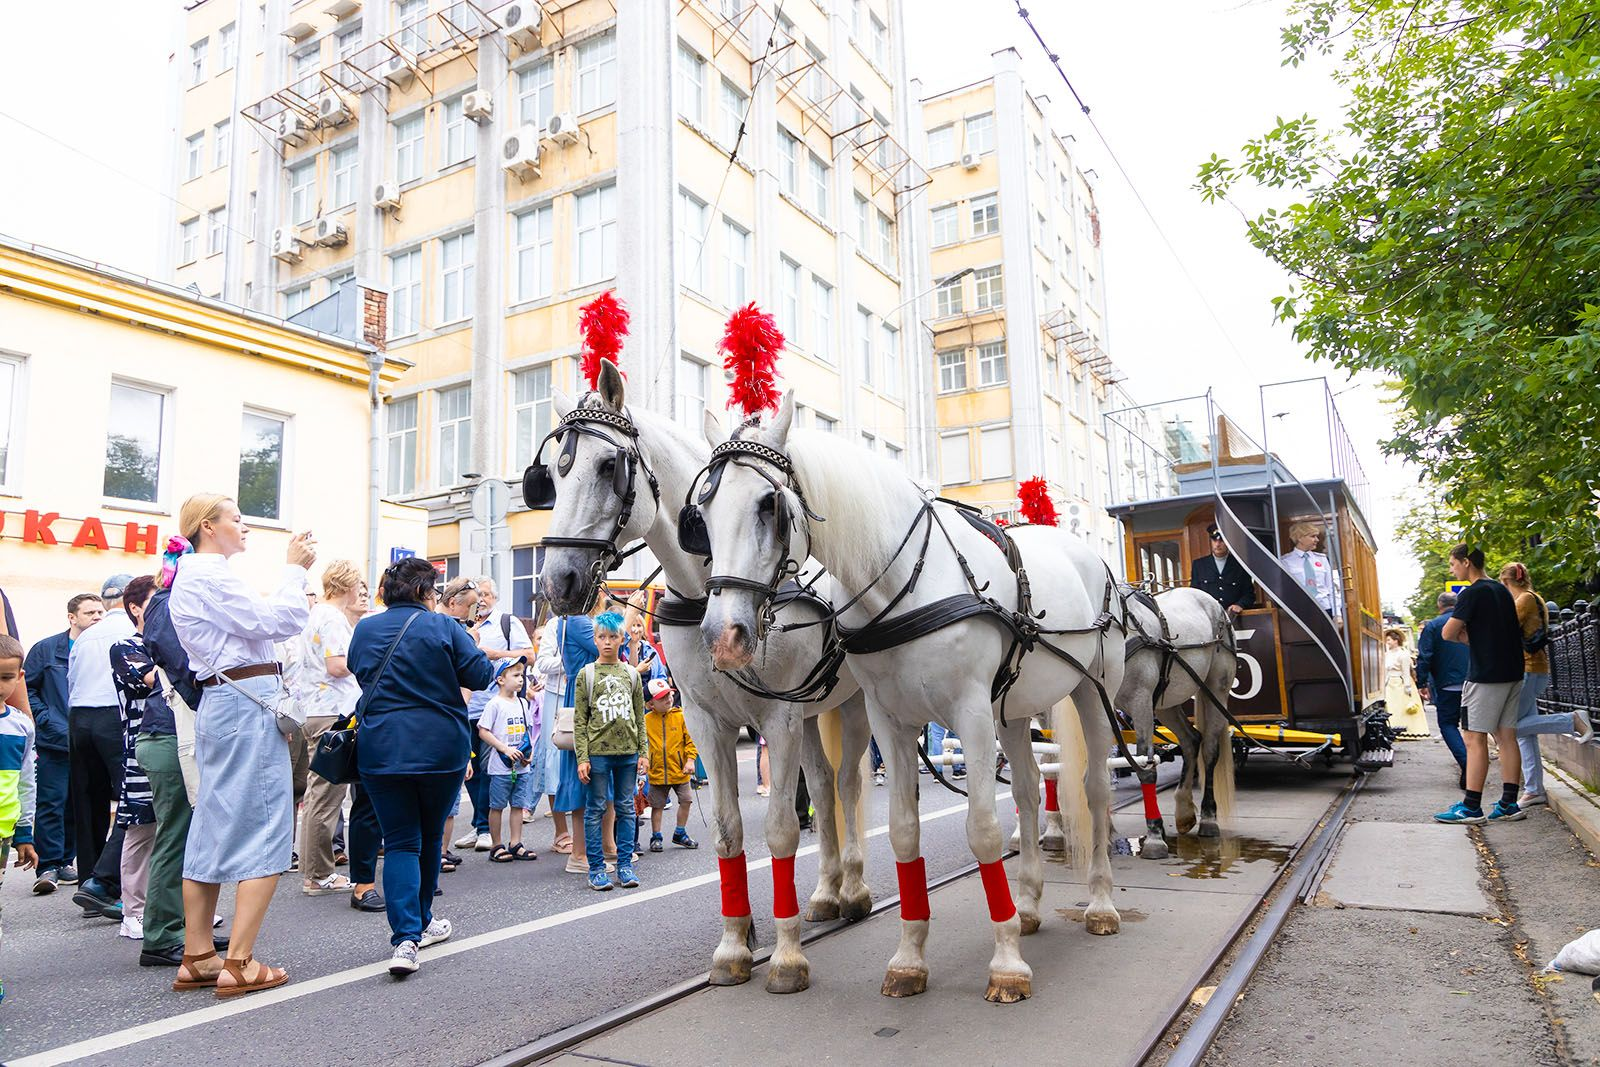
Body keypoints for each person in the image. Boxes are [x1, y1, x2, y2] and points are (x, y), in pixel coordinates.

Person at [168, 493, 314, 997]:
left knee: (212, 824)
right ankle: (240, 961)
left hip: (227, 698)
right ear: (208, 527)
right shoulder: (209, 575)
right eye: (235, 518)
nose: (244, 525)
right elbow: (274, 621)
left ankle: (199, 955)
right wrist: (294, 571)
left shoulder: (197, 575)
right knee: (268, 824)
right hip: (246, 698)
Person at [348, 558, 492, 977]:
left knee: (399, 842)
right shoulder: (444, 626)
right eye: (433, 591)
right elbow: (481, 675)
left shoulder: (366, 629)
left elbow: (359, 670)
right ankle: (421, 923)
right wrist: (472, 640)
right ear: (422, 592)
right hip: (439, 747)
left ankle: (407, 938)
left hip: (381, 747)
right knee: (429, 837)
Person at [137, 540, 232, 969]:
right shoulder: (166, 602)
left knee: (191, 836)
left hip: (175, 733)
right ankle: (162, 935)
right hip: (170, 734)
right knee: (176, 836)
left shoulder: (172, 601)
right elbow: (184, 666)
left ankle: (188, 930)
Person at [1434, 545, 1526, 825]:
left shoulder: (1471, 593)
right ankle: (1509, 803)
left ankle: (1471, 806)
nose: (1452, 569)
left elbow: (1447, 632)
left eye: (1453, 564)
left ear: (1466, 562)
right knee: (1506, 737)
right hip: (1513, 671)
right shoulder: (1501, 590)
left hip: (1485, 674)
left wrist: (1463, 637)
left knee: (1474, 739)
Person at [67, 575, 138, 920]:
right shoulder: (132, 630)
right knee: (131, 799)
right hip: (113, 716)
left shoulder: (87, 635)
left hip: (80, 716)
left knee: (88, 801)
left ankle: (88, 880)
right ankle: (106, 883)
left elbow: (71, 680)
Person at [297, 562, 366, 896]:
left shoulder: (317, 614)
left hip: (316, 709)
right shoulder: (333, 617)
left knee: (318, 795)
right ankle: (318, 874)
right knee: (326, 797)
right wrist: (368, 661)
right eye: (359, 585)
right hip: (331, 712)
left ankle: (314, 870)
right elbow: (337, 665)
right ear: (348, 586)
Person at [1502, 562, 1595, 806]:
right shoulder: (1534, 597)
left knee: (1509, 729)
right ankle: (1534, 790)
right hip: (1534, 668)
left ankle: (1571, 720)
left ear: (1506, 582)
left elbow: (1504, 628)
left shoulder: (1523, 599)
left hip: (1527, 669)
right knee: (1526, 733)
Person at [23, 595, 99, 893]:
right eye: (90, 612)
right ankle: (48, 865)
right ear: (72, 617)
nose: (97, 617)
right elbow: (27, 689)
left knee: (76, 804)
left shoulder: (100, 649)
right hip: (53, 741)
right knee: (51, 802)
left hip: (88, 740)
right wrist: (45, 719)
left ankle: (67, 860)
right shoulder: (46, 649)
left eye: (100, 612)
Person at [574, 611, 648, 892]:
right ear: (595, 639)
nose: (607, 642)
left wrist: (643, 752)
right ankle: (596, 868)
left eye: (613, 637)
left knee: (626, 809)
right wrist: (582, 758)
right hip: (598, 755)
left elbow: (639, 716)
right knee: (595, 809)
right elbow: (580, 720)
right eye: (602, 637)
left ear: (621, 639)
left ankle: (625, 865)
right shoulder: (587, 674)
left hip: (628, 753)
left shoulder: (631, 674)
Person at [108, 576, 162, 942]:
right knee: (142, 828)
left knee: (177, 828)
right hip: (142, 744)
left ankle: (172, 908)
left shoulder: (172, 644)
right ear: (135, 608)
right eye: (157, 603)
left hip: (182, 744)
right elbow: (150, 679)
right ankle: (134, 912)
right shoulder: (125, 646)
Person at [439, 577, 490, 858]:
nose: (474, 614)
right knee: (444, 793)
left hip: (452, 716)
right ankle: (436, 853)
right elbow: (476, 676)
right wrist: (473, 646)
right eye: (470, 607)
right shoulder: (452, 632)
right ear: (451, 603)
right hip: (447, 719)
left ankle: (439, 852)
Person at [0, 634, 38, 1004]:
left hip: (4, 833)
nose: (0, 686)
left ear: (19, 677)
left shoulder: (20, 726)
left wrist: (25, 832)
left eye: (6, 677)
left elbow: (27, 781)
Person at [556, 601, 603, 875]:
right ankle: (579, 853)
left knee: (593, 773)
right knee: (584, 775)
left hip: (583, 691)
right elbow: (607, 645)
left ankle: (595, 849)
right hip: (587, 693)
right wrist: (632, 611)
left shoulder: (568, 619)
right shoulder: (578, 620)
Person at [478, 658, 538, 861]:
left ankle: (515, 843)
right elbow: (483, 731)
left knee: (518, 805)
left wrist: (529, 753)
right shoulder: (494, 704)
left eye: (522, 675)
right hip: (501, 767)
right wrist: (504, 748)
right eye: (516, 675)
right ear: (501, 680)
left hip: (521, 766)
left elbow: (528, 731)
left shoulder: (523, 703)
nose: (521, 679)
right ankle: (496, 845)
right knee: (497, 806)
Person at [1416, 592, 1472, 786]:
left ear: (1439, 606)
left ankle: (1467, 763)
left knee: (1448, 724)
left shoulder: (1433, 626)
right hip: (1475, 681)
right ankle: (1475, 766)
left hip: (1447, 684)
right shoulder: (1469, 622)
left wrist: (1422, 683)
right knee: (1473, 726)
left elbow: (1425, 656)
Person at [643, 678, 699, 852]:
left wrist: (690, 760)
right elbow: (642, 744)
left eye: (669, 694)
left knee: (686, 800)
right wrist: (644, 760)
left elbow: (690, 740)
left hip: (680, 770)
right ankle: (656, 836)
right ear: (650, 704)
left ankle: (680, 832)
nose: (668, 699)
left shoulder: (681, 716)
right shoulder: (646, 720)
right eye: (662, 697)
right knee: (657, 805)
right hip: (657, 772)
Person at [533, 615, 572, 855]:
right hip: (557, 697)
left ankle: (593, 833)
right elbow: (543, 663)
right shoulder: (555, 624)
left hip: (588, 691)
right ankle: (561, 833)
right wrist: (572, 660)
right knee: (554, 763)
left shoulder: (594, 621)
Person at [1190, 524, 1255, 617]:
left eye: (1221, 540)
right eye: (1214, 540)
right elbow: (1194, 594)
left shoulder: (1240, 565)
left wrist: (1240, 605)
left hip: (1234, 618)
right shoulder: (1199, 565)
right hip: (1208, 618)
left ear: (1228, 541)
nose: (1217, 544)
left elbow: (1249, 595)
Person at [1279, 520, 1339, 616]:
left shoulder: (1322, 559)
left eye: (1316, 536)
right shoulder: (1285, 561)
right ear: (1300, 538)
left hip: (1325, 608)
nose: (1317, 540)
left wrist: (1337, 614)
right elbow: (1286, 590)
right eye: (1312, 536)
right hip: (1301, 611)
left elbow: (1331, 587)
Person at [1383, 628, 1430, 738]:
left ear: (1396, 640)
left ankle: (1408, 730)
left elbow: (1405, 672)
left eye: (1389, 640)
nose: (1387, 642)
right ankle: (1393, 729)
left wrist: (1407, 686)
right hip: (1389, 683)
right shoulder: (1387, 654)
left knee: (1403, 707)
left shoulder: (1403, 654)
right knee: (1392, 707)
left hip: (1400, 683)